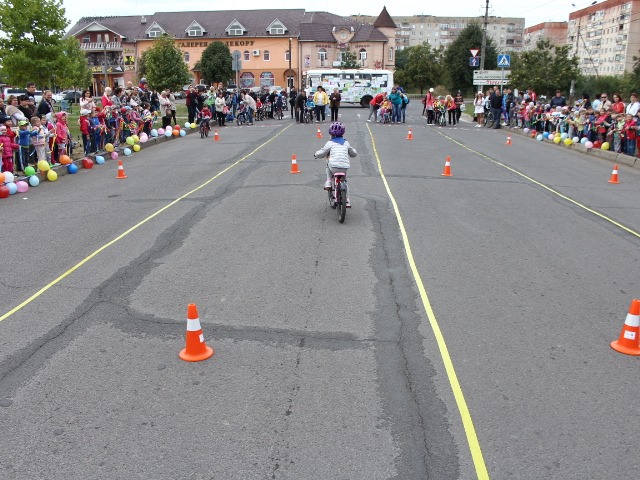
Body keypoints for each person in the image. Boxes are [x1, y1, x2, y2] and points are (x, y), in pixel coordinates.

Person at [314, 121, 357, 208]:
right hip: (344, 167)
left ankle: (329, 181)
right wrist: (353, 153)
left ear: (331, 134)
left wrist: (316, 154)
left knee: (328, 162)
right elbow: (353, 153)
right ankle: (347, 200)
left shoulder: (330, 143)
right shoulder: (346, 143)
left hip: (333, 166)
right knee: (345, 181)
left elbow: (322, 153)